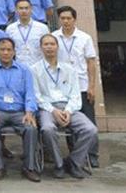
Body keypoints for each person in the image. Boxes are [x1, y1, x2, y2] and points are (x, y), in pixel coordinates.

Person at [31, 34, 98, 179]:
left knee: (91, 129)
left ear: (57, 47)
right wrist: (53, 111)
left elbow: (75, 95)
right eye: (46, 44)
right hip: (47, 109)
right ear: (41, 48)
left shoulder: (69, 69)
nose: (49, 47)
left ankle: (74, 161)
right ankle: (59, 163)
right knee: (47, 129)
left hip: (69, 108)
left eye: (52, 44)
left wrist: (68, 110)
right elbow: (37, 96)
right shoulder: (34, 70)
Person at [0, 37, 41, 182]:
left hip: (19, 112)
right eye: (2, 49)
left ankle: (29, 167)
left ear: (14, 51)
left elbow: (30, 93)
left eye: (9, 49)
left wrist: (29, 113)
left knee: (31, 128)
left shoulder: (24, 70)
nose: (5, 52)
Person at [52, 5, 100, 167]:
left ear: (75, 19)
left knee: (89, 122)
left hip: (82, 86)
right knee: (68, 121)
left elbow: (91, 63)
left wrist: (92, 86)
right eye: (63, 18)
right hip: (63, 89)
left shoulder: (84, 38)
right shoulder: (54, 37)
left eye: (69, 18)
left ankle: (92, 155)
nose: (66, 21)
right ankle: (75, 155)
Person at [6, 0, 49, 67]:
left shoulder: (42, 28)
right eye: (21, 8)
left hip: (38, 68)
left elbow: (47, 49)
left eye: (26, 8)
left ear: (31, 9)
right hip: (18, 67)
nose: (24, 11)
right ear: (16, 10)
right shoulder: (10, 29)